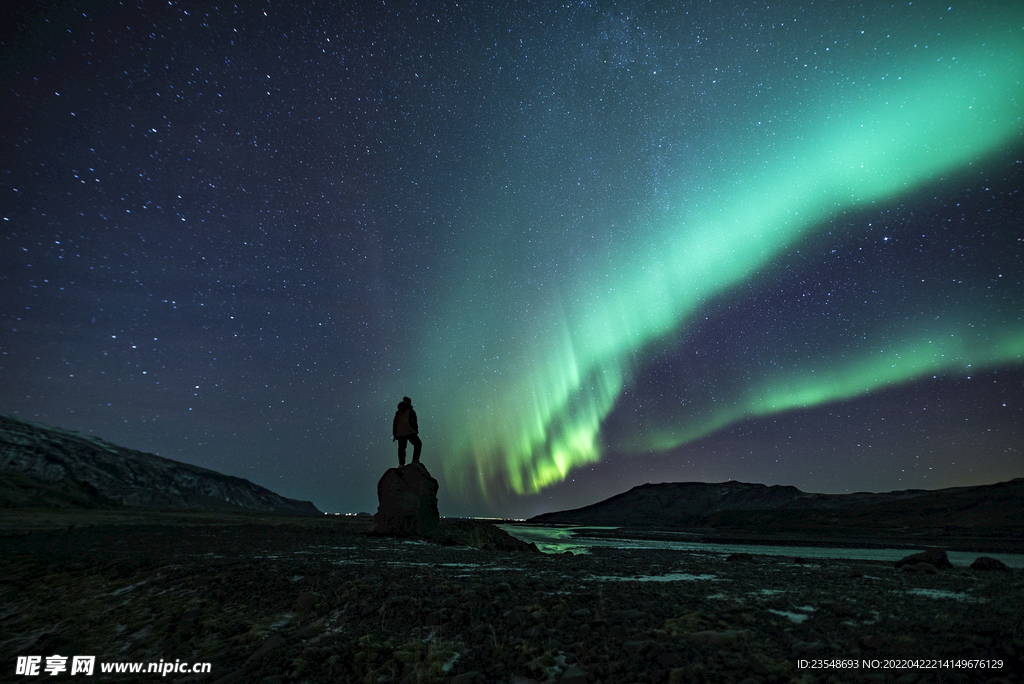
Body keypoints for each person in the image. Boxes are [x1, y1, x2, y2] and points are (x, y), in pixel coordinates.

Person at [392, 396, 422, 466]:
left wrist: (395, 434)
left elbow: (395, 424)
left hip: (400, 433)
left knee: (402, 449)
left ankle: (401, 464)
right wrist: (416, 430)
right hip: (410, 431)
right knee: (418, 444)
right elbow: (414, 421)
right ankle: (415, 460)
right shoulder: (410, 411)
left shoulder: (398, 412)